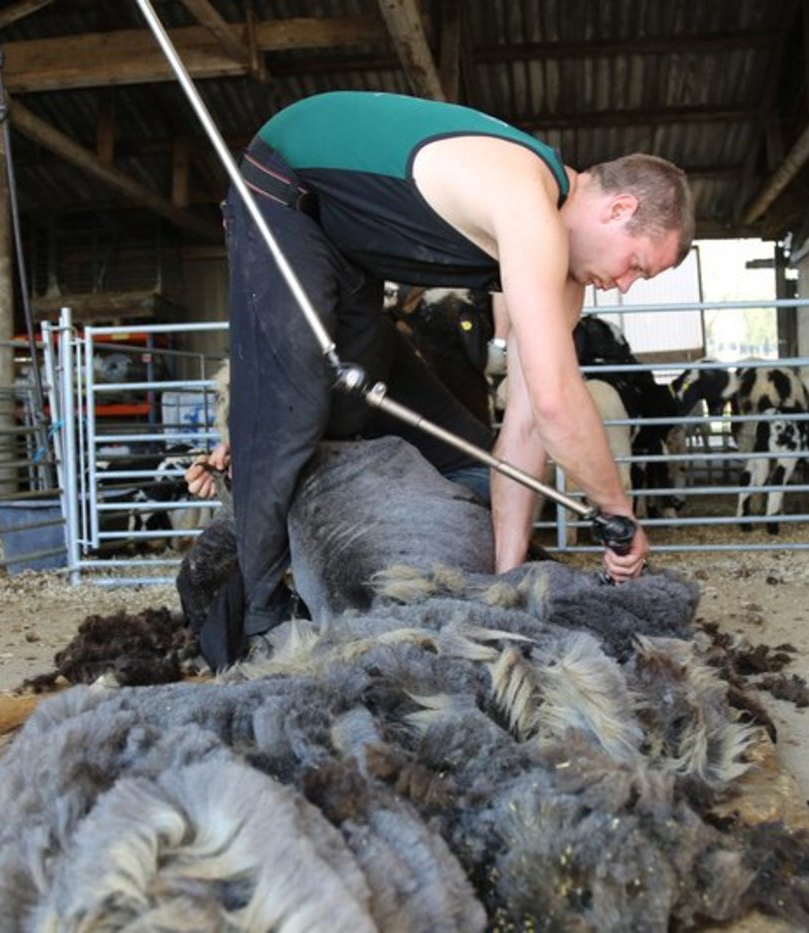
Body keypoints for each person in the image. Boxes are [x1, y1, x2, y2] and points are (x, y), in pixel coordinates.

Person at [185, 90, 695, 666]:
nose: (625, 286)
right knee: (295, 407)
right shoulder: (529, 202)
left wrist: (506, 589)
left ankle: (487, 572)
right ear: (620, 209)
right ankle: (256, 621)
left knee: (456, 450)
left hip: (351, 250)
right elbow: (558, 402)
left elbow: (527, 430)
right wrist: (615, 509)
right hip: (287, 190)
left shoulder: (564, 281)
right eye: (636, 266)